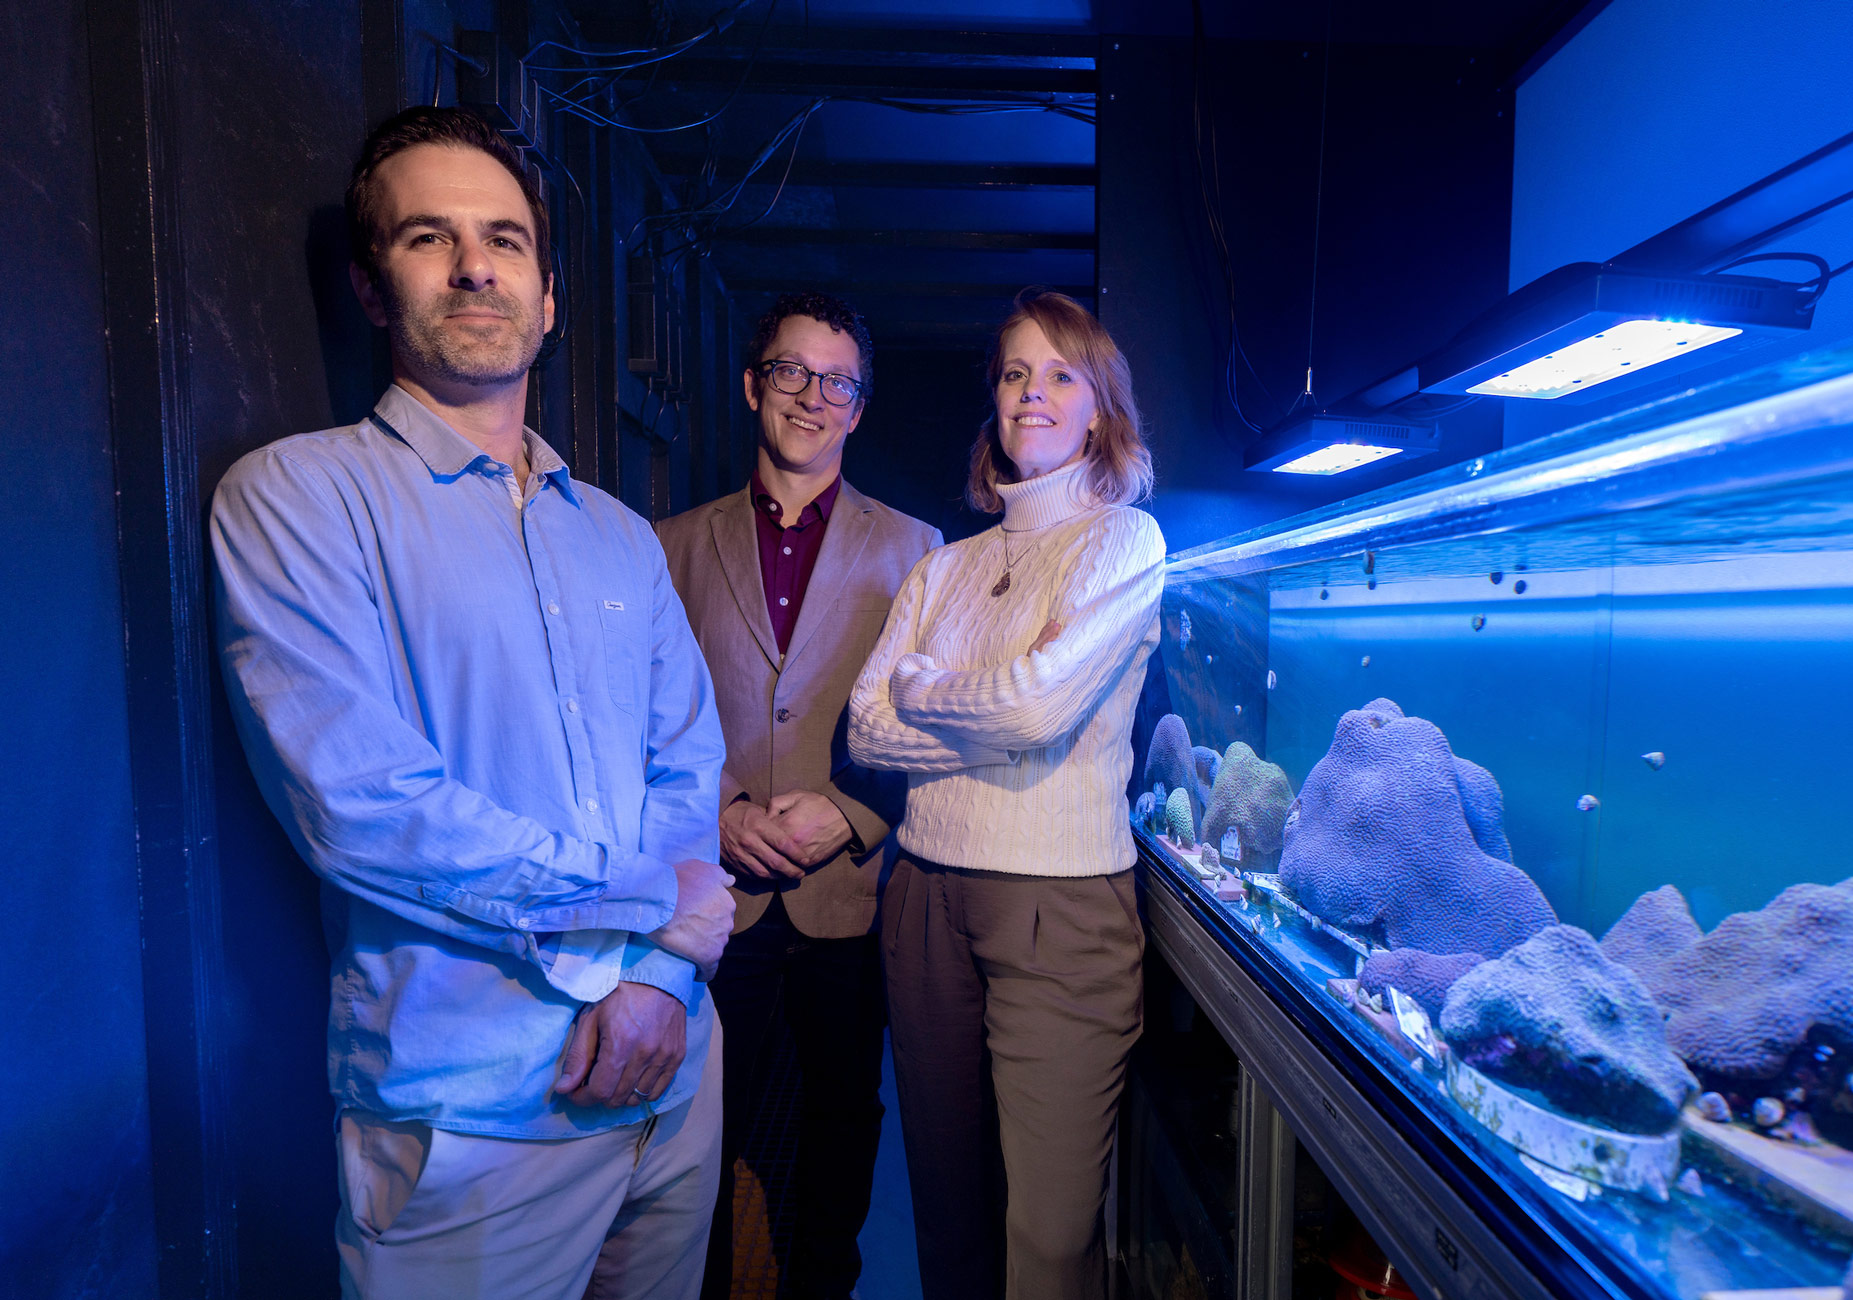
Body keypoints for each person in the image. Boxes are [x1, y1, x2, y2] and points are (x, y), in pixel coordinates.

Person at [209, 106, 735, 1300]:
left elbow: (684, 763)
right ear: (370, 283)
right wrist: (659, 906)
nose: (475, 265)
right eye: (428, 237)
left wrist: (659, 977)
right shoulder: (298, 497)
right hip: (479, 1122)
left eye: (505, 238)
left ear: (550, 298)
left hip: (675, 1082)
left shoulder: (616, 536)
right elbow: (367, 809)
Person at [848, 289, 1166, 1300]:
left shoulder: (1125, 542)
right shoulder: (944, 565)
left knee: (1048, 1239)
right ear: (994, 401)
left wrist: (929, 690)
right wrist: (987, 716)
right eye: (1015, 373)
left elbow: (1034, 713)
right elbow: (865, 728)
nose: (1034, 393)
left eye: (1061, 374)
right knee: (949, 1215)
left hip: (1060, 908)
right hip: (924, 899)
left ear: (1100, 407)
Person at [658, 291, 941, 1300]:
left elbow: (931, 720)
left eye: (837, 381)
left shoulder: (918, 552)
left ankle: (825, 1284)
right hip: (712, 887)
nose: (812, 397)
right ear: (752, 386)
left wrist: (855, 811)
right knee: (693, 1124)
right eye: (790, 372)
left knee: (839, 1123)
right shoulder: (669, 545)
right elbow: (648, 711)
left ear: (859, 408)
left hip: (847, 889)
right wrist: (724, 810)